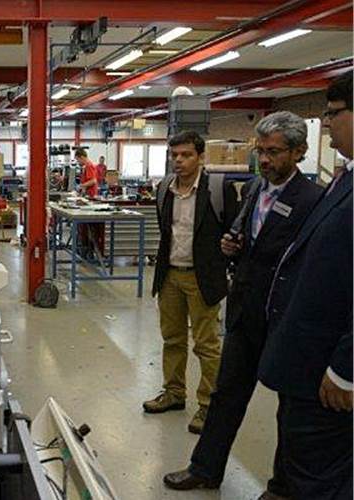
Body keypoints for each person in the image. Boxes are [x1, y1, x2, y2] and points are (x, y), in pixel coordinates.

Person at [163, 112, 323, 499]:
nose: (265, 160)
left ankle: (282, 486)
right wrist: (232, 249)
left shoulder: (313, 200)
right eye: (261, 151)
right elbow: (249, 242)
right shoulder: (254, 188)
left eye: (274, 152)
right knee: (226, 395)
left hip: (284, 319)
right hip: (246, 313)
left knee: (289, 408)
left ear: (299, 152)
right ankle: (205, 469)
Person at [258, 72, 353, 500]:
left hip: (330, 375)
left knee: (319, 480)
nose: (327, 124)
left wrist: (346, 371)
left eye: (333, 113)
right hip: (306, 365)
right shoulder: (344, 178)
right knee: (301, 465)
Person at [145, 131, 228, 434]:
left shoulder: (216, 189)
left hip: (201, 278)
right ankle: (174, 393)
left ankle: (208, 406)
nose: (179, 161)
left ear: (200, 157)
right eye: (174, 155)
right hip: (169, 276)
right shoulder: (164, 188)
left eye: (186, 155)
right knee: (173, 339)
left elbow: (231, 233)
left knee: (207, 345)